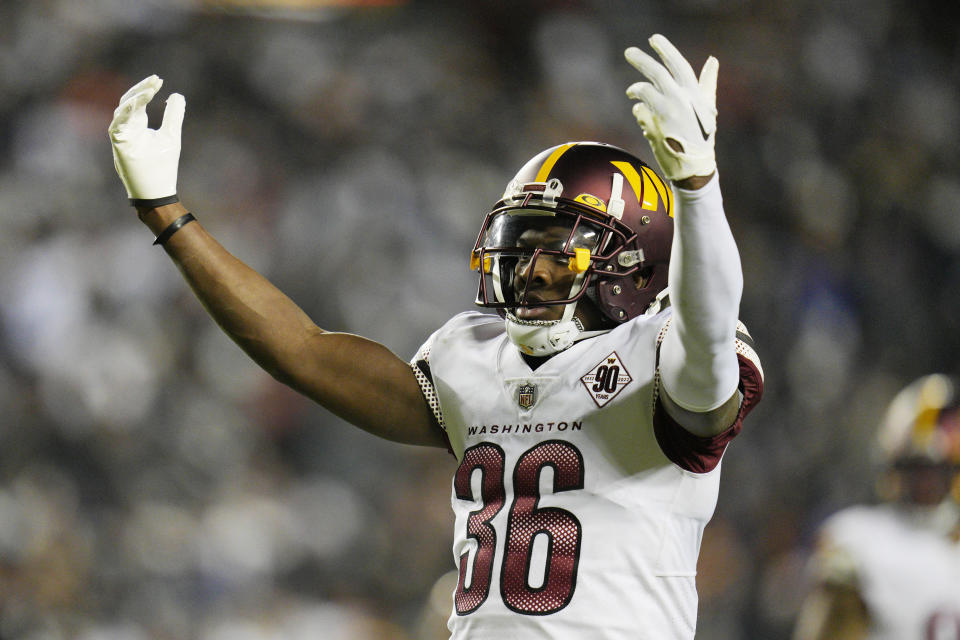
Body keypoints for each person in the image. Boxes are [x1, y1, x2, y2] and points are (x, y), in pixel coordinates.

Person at [108, 34, 763, 639]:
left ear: (632, 264)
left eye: (557, 250)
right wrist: (167, 215)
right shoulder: (472, 359)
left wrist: (698, 188)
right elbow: (304, 350)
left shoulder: (662, 357)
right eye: (519, 245)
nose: (528, 268)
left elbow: (706, 334)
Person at [792, 373, 960, 640]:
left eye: (938, 471)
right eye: (919, 469)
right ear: (897, 467)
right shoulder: (859, 540)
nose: (928, 483)